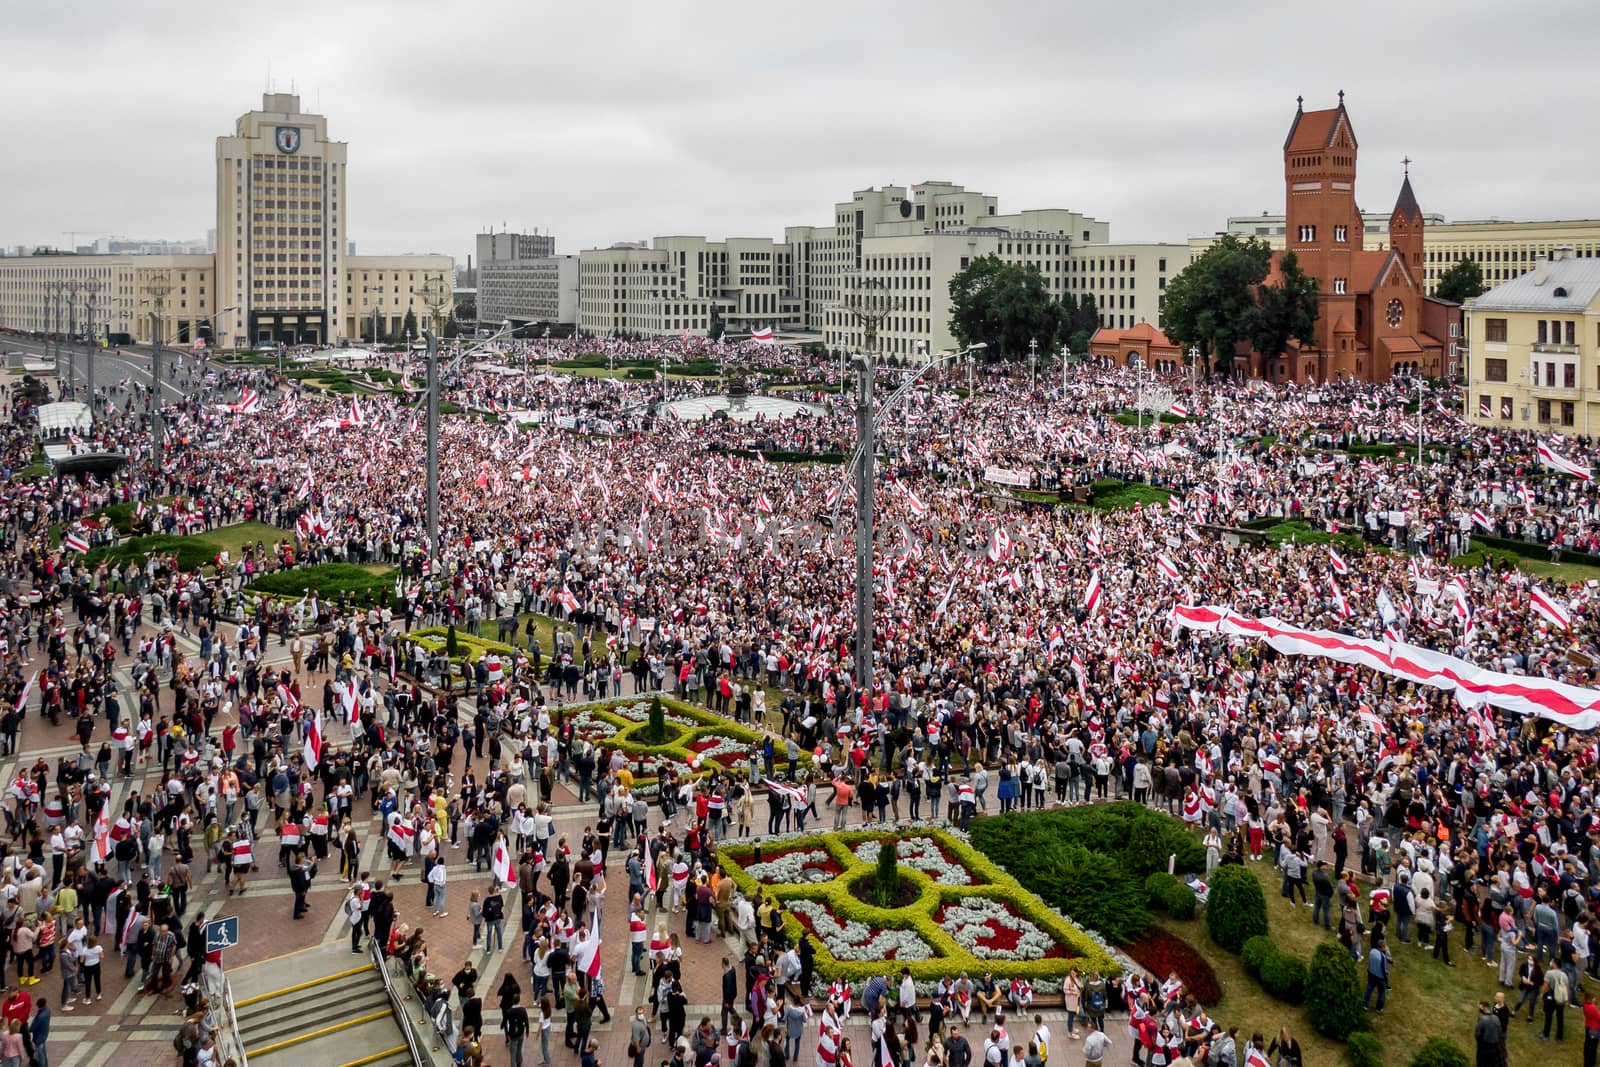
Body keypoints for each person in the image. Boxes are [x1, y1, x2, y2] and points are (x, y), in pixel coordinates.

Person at [1542, 964, 1570, 1042]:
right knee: (1560, 1017)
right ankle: (1559, 1037)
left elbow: (1546, 986)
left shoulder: (1549, 973)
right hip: (1561, 998)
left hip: (1551, 998)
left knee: (1548, 1016)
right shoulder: (1564, 975)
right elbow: (1567, 987)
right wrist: (1566, 998)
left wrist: (1542, 994)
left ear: (1554, 964)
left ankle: (1546, 1034)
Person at [1474, 1001, 1501, 1067]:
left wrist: (1479, 1043)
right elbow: (1499, 1031)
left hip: (1484, 1047)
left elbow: (1478, 1034)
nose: (1479, 1009)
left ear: (1484, 1007)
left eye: (1480, 1007)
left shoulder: (1482, 1019)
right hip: (1495, 1047)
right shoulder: (1496, 1018)